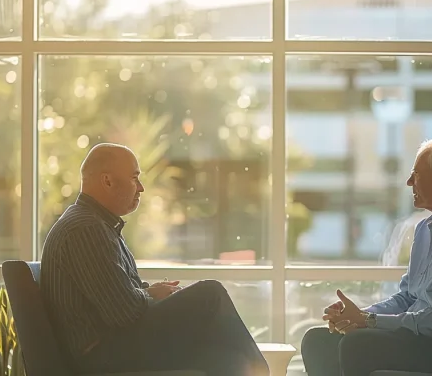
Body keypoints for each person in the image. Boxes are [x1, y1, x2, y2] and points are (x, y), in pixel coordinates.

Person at [39, 143, 269, 376]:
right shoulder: (86, 229)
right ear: (107, 181)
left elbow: (117, 299)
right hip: (101, 354)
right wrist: (151, 294)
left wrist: (153, 293)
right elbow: (123, 312)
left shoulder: (97, 225)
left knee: (227, 359)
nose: (141, 188)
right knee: (211, 294)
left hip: (111, 344)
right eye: (134, 178)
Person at [300, 138, 432, 376]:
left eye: (416, 175)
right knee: (317, 341)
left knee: (358, 345)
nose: (409, 182)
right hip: (431, 341)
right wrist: (357, 316)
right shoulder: (425, 230)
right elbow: (407, 298)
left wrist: (369, 320)